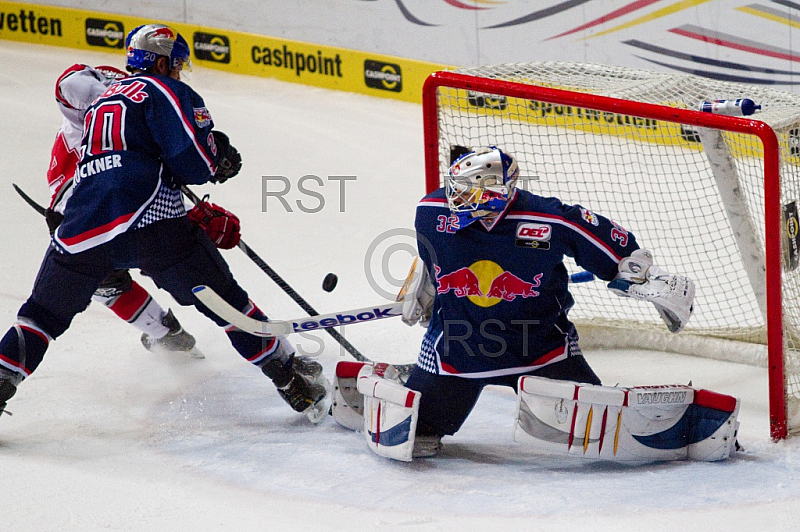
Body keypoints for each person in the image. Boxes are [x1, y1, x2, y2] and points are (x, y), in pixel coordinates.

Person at [0, 23, 326, 419]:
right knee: (228, 305)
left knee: (40, 315)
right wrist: (216, 155)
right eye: (175, 64)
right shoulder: (164, 90)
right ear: (159, 61)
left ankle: (3, 378)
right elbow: (195, 162)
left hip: (81, 228)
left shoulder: (102, 103)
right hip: (154, 225)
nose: (178, 72)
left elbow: (120, 164)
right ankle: (291, 377)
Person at [397, 145, 699, 457]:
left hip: (541, 350)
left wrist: (647, 278)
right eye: (455, 188)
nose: (455, 199)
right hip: (457, 351)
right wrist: (423, 288)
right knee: (415, 429)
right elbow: (433, 259)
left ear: (498, 191)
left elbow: (622, 258)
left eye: (468, 192)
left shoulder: (549, 219)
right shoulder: (430, 212)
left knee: (596, 430)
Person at [46, 62, 200, 356]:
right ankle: (168, 333)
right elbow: (69, 84)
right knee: (112, 279)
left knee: (107, 281)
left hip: (95, 213)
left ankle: (167, 334)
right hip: (93, 210)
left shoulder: (114, 119)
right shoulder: (90, 122)